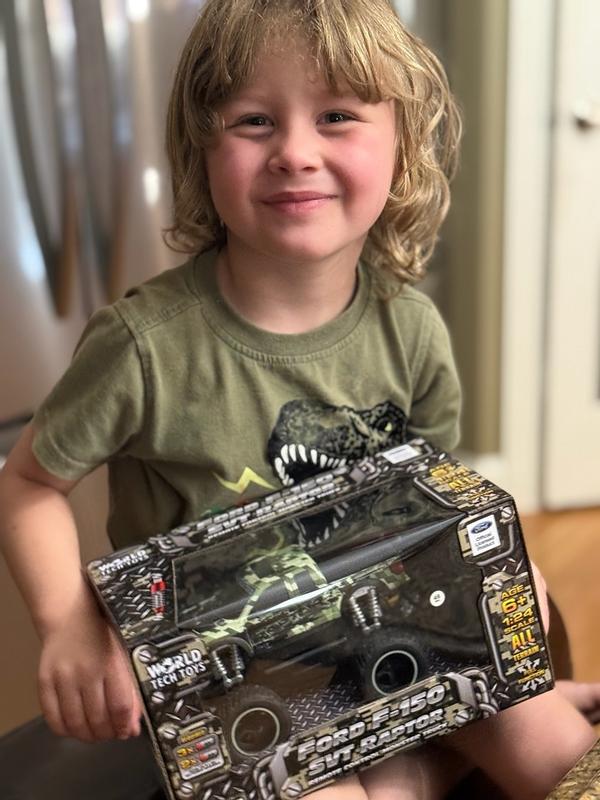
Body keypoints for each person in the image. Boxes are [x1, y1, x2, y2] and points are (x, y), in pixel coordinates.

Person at [0, 1, 596, 798]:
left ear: (403, 146)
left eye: (337, 116)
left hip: (395, 634)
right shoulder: (143, 348)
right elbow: (29, 483)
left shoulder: (411, 326)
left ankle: (412, 766)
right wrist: (70, 624)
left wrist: (506, 574)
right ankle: (409, 775)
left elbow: (435, 492)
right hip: (237, 687)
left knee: (555, 743)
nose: (295, 153)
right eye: (254, 121)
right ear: (200, 148)